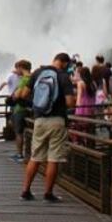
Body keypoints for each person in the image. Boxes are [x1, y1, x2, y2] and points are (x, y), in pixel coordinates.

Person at [20, 52, 76, 203]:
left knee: (35, 156)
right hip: (57, 120)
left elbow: (24, 94)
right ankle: (48, 193)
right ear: (64, 63)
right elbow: (71, 102)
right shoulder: (63, 76)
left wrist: (38, 102)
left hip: (39, 119)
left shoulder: (37, 73)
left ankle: (25, 191)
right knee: (53, 158)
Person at [8, 60, 33, 161]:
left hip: (20, 108)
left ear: (21, 67)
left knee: (19, 132)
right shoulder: (32, 77)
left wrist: (13, 96)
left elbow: (18, 95)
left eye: (17, 68)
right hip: (29, 108)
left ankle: (19, 155)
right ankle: (26, 154)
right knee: (25, 131)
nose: (16, 70)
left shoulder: (24, 79)